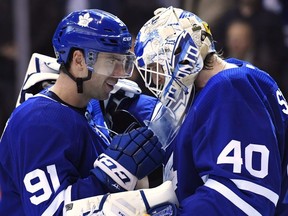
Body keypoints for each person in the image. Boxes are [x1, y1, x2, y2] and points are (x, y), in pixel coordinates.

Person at [0, 9, 165, 215]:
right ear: (79, 60)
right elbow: (51, 211)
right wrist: (110, 176)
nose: (119, 74)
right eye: (111, 61)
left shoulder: (90, 107)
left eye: (124, 63)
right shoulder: (39, 121)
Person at [134, 6, 288, 215]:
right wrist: (133, 103)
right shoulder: (228, 81)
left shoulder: (229, 89)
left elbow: (243, 195)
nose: (156, 80)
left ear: (184, 56)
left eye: (158, 67)